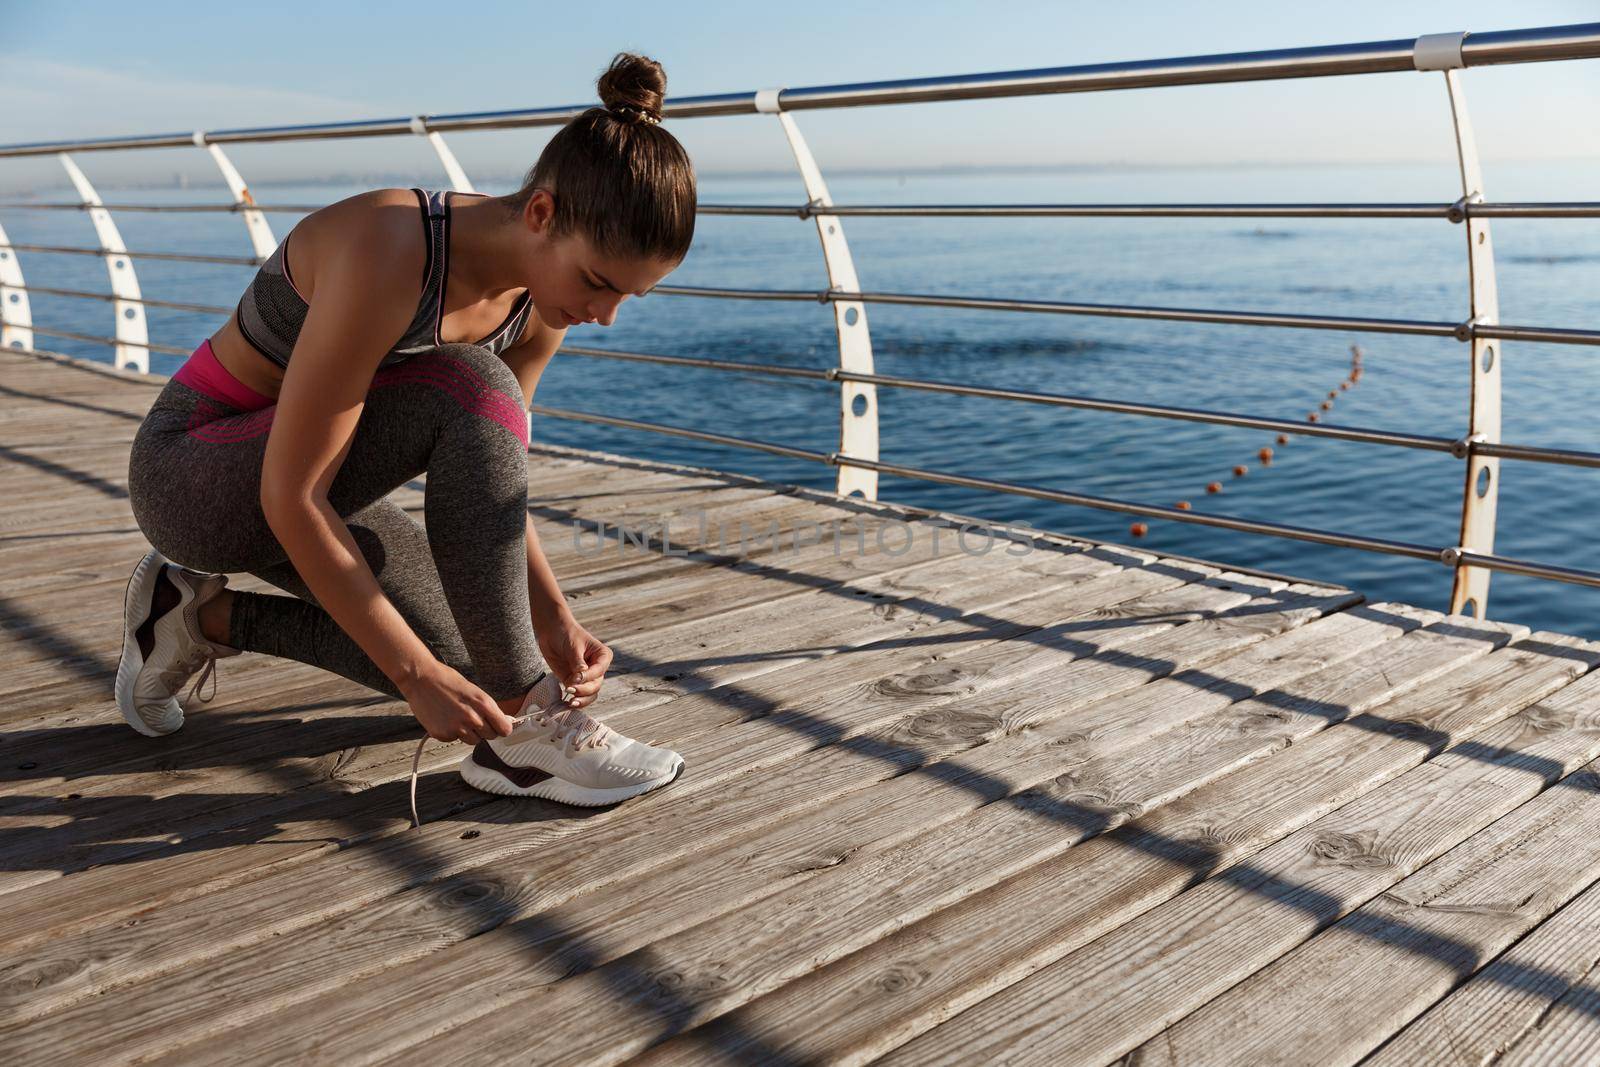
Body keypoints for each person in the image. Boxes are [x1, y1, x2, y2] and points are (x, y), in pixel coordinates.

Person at [117, 52, 695, 820]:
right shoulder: (394, 248)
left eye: (629, 295)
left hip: (309, 479)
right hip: (194, 474)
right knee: (472, 388)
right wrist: (412, 672)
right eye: (597, 281)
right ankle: (532, 727)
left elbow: (496, 481)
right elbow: (291, 495)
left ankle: (191, 614)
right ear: (541, 213)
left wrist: (553, 615)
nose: (606, 314)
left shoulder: (539, 309)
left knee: (478, 670)